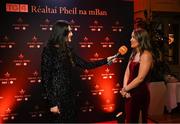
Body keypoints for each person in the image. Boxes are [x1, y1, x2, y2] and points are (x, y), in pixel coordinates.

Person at [41, 20, 113, 122]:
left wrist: (106, 60)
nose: (72, 33)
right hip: (57, 99)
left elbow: (86, 64)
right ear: (62, 33)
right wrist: (53, 103)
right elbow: (46, 79)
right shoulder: (48, 51)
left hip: (70, 97)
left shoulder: (68, 49)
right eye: (69, 31)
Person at [120, 28, 154, 123]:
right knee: (130, 120)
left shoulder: (146, 55)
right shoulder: (133, 53)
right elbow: (127, 72)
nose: (130, 39)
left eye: (133, 37)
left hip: (139, 94)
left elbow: (140, 78)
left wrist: (125, 89)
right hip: (129, 93)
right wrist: (125, 88)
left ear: (140, 39)